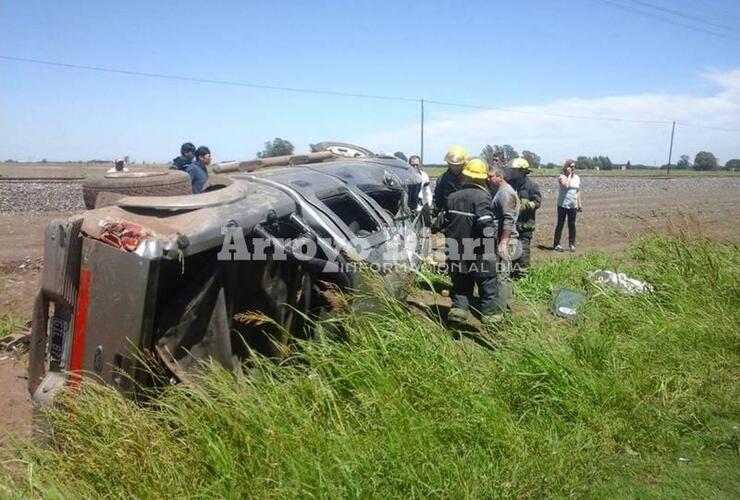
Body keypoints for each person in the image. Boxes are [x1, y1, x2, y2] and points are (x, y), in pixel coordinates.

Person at [442, 158, 496, 324]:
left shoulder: (452, 197)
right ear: (483, 178)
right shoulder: (483, 197)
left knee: (460, 286)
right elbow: (485, 226)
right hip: (480, 253)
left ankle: (458, 317)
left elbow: (442, 222)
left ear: (465, 176)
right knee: (488, 288)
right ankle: (492, 324)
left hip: (457, 250)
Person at [487, 162, 520, 316]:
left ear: (499, 176)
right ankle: (506, 306)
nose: (488, 179)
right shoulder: (500, 191)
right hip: (502, 238)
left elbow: (508, 219)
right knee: (503, 275)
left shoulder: (506, 193)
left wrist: (503, 242)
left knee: (501, 275)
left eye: (490, 176)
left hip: (506, 240)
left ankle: (499, 313)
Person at [507, 157, 542, 278]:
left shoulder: (531, 186)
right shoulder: (509, 184)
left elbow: (537, 202)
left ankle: (523, 276)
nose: (512, 172)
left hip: (524, 226)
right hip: (511, 226)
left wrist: (524, 206)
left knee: (523, 252)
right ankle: (512, 274)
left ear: (522, 171)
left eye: (514, 170)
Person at [553, 159, 583, 252]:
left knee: (572, 225)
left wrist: (579, 204)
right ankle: (556, 244)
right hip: (562, 205)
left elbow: (577, 191)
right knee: (560, 224)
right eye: (571, 167)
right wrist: (569, 175)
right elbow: (566, 185)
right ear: (566, 167)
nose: (573, 168)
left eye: (574, 167)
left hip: (572, 205)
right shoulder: (562, 177)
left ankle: (572, 244)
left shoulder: (577, 178)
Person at [433, 145, 468, 214]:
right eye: (452, 165)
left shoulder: (469, 179)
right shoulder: (442, 179)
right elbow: (438, 201)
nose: (455, 168)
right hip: (448, 216)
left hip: (467, 215)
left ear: (464, 163)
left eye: (458, 165)